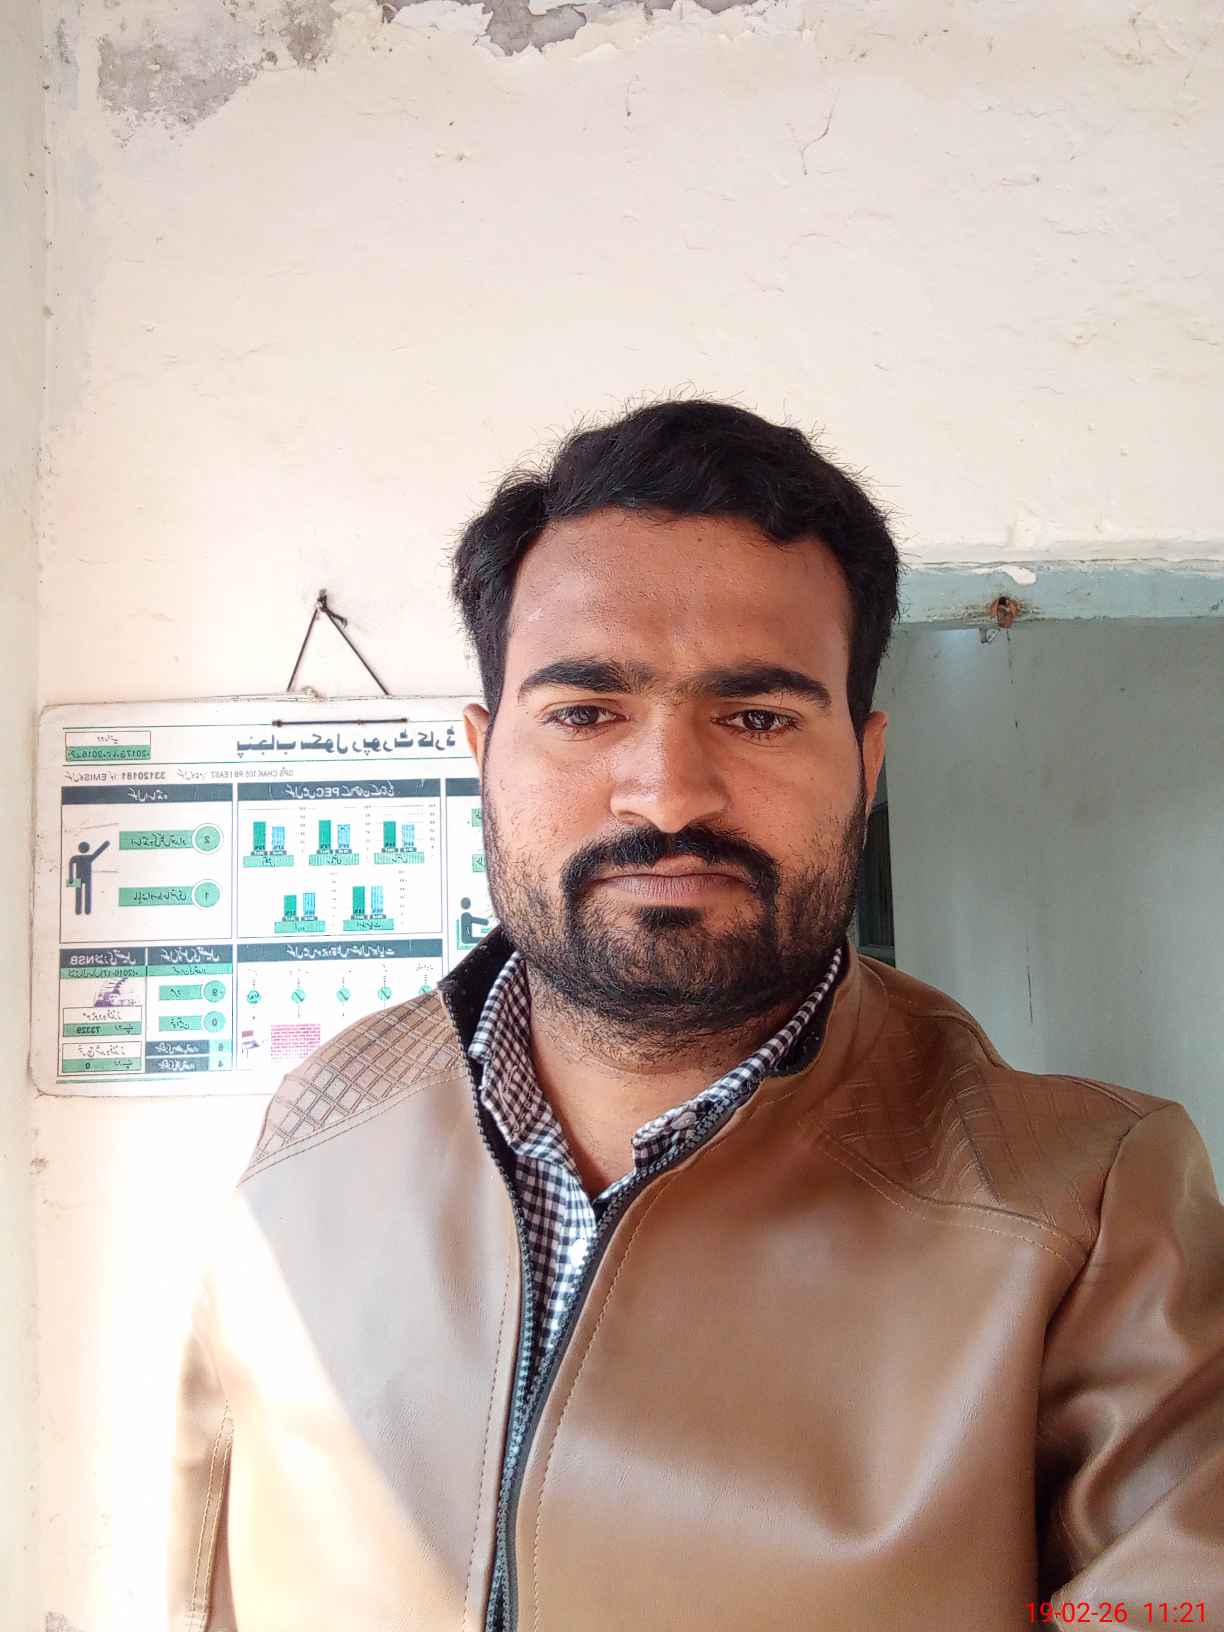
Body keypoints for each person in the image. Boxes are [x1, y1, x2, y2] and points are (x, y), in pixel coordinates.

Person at [169, 400, 1224, 1631]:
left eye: (758, 716)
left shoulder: (1090, 1213)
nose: (669, 794)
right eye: (584, 712)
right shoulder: (317, 1130)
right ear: (484, 753)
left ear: (866, 765)